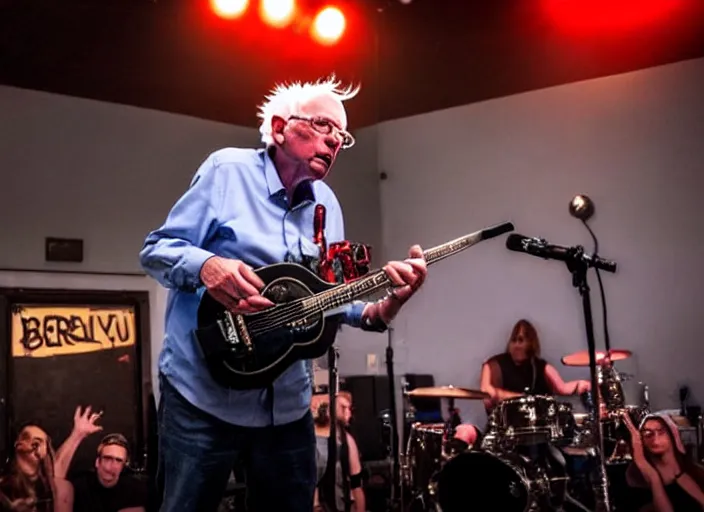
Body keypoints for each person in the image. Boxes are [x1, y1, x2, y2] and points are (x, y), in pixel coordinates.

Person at [139, 76, 428, 512]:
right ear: (279, 129)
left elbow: (332, 296)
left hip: (288, 404)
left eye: (342, 136)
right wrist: (208, 266)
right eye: (323, 126)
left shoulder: (326, 205)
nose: (334, 142)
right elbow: (156, 251)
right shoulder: (226, 171)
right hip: (203, 394)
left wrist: (387, 304)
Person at [453, 318, 591, 446]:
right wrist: (522, 399)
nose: (517, 345)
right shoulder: (494, 364)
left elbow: (562, 388)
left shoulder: (540, 366)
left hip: (539, 432)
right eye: (514, 340)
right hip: (504, 432)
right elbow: (487, 392)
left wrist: (581, 384)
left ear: (531, 343)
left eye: (521, 340)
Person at [624, 412, 704, 512]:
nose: (655, 438)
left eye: (661, 432)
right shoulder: (636, 477)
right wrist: (652, 475)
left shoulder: (694, 472)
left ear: (672, 435)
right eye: (648, 434)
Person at [312, 391, 365, 512]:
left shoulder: (346, 440)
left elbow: (356, 485)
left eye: (349, 408)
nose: (348, 413)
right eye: (343, 407)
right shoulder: (307, 439)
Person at [0, 422, 72, 512]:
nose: (30, 446)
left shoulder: (55, 490)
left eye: (37, 443)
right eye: (26, 437)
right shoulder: (4, 488)